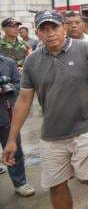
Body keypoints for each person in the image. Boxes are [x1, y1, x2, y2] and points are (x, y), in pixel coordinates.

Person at [2, 10, 88, 209]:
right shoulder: (32, 61)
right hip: (51, 133)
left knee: (87, 178)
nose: (50, 33)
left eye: (54, 27)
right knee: (56, 184)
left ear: (64, 28)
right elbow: (24, 100)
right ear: (38, 34)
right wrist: (12, 139)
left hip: (85, 128)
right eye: (44, 29)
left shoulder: (85, 50)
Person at [0, 53, 35, 197]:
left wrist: (5, 88)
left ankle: (20, 182)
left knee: (14, 149)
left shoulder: (8, 62)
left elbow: (19, 84)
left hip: (6, 114)